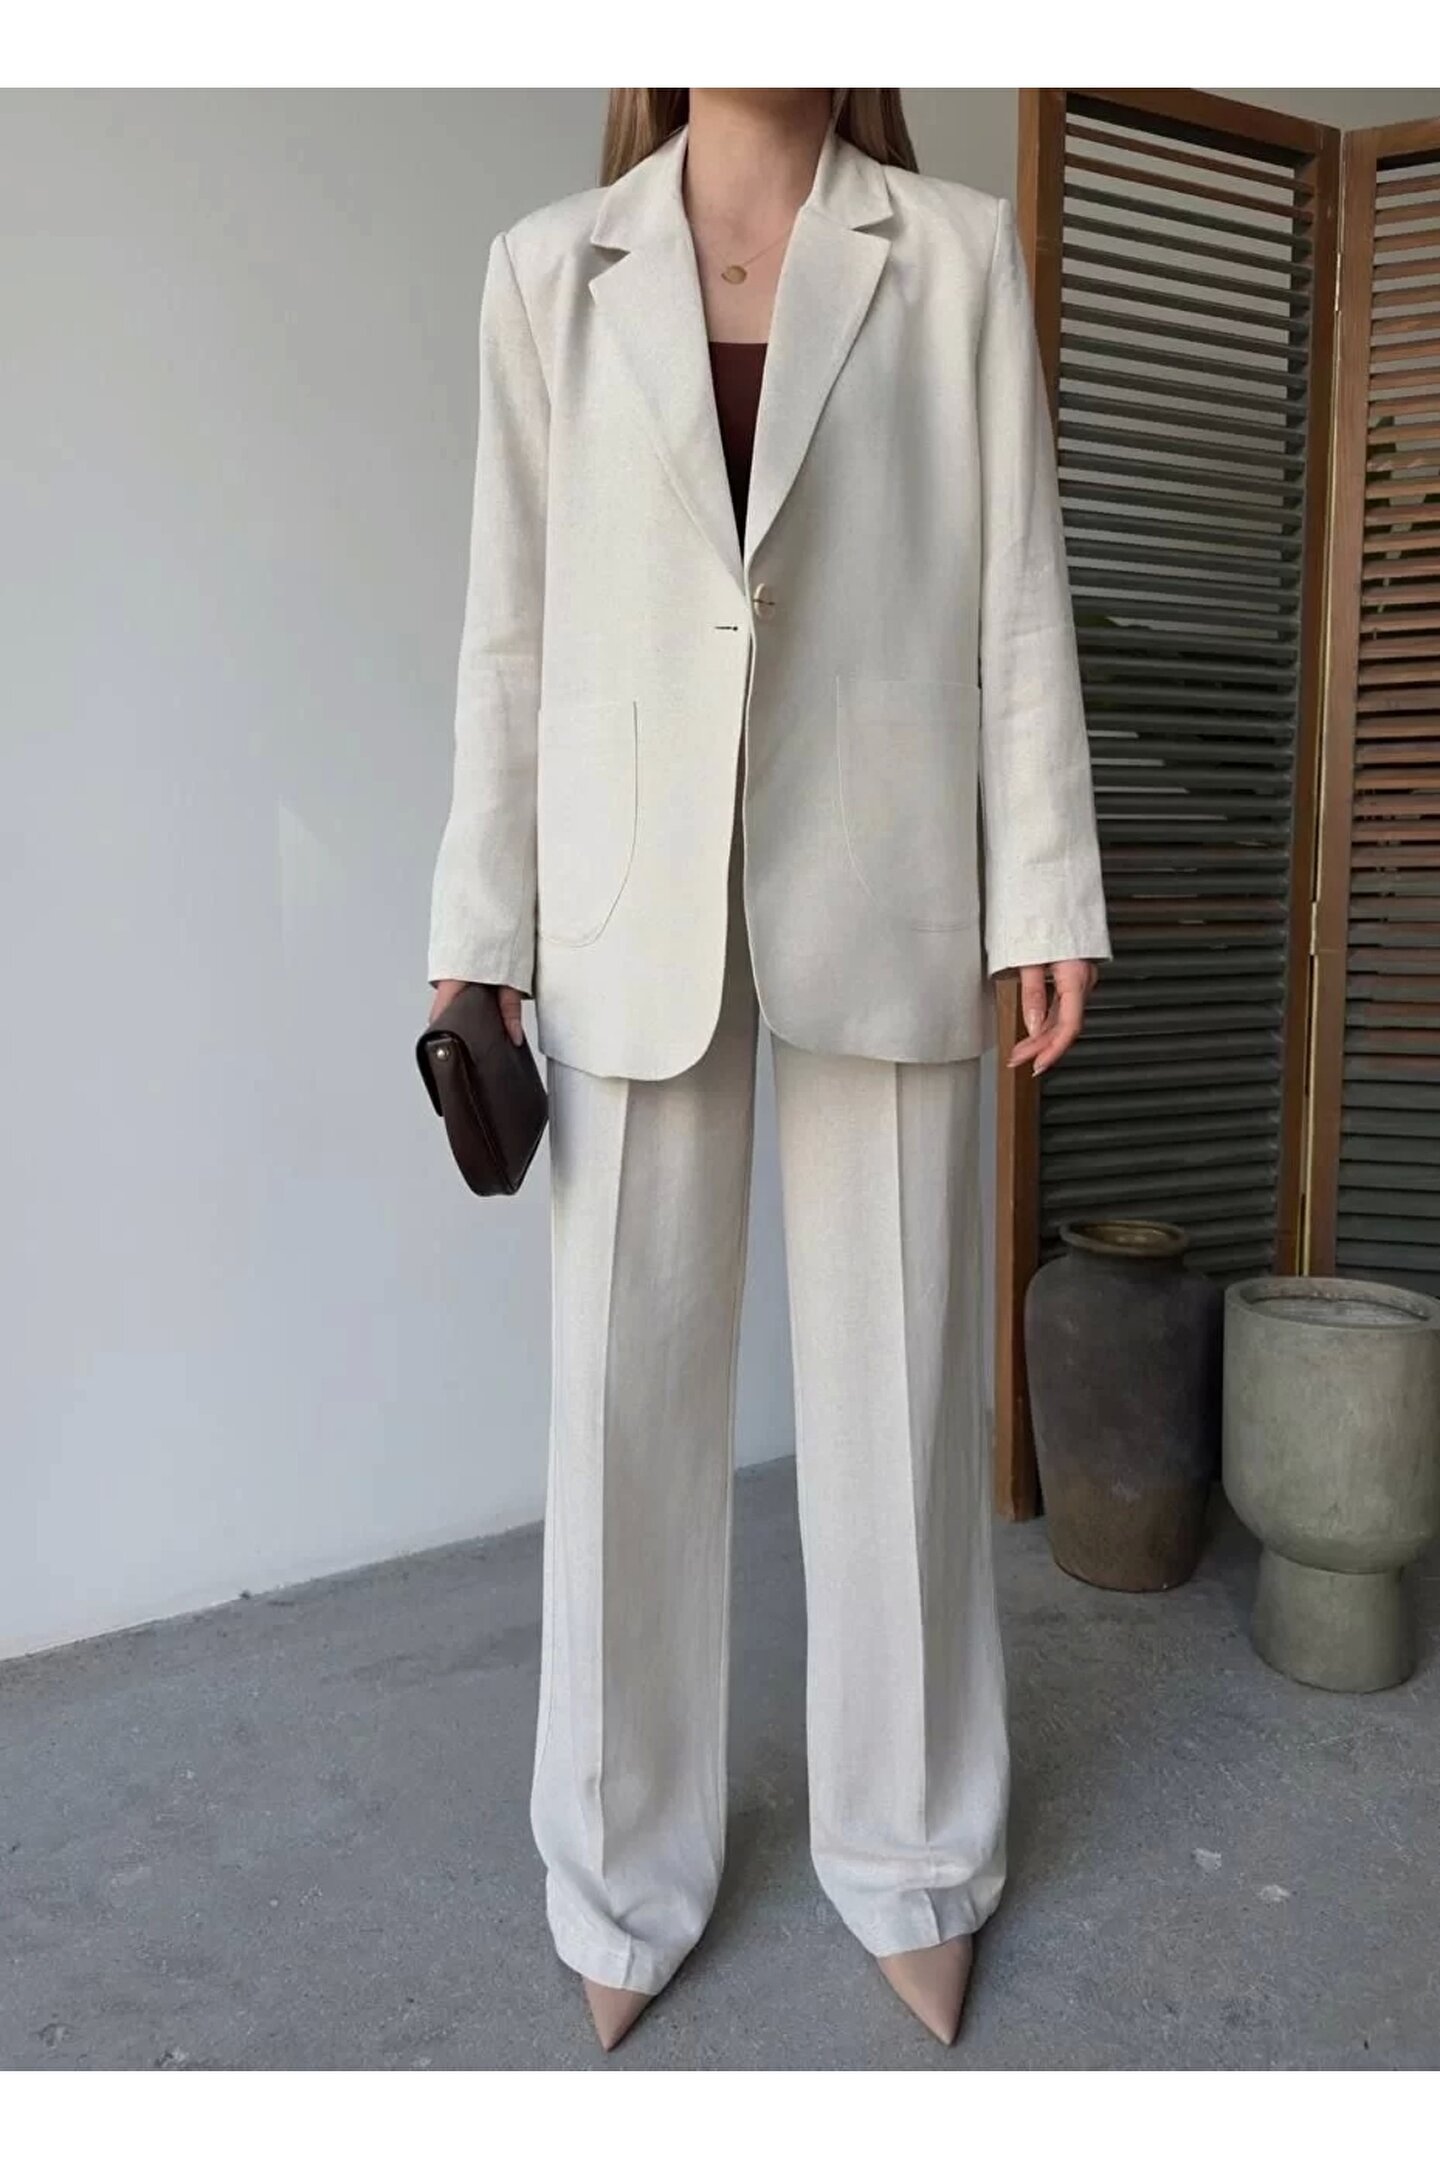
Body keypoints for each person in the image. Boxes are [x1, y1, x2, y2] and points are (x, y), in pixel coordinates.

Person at [426, 87, 1110, 2052]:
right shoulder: (549, 275)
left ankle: (916, 1855)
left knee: (901, 1395)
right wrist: (481, 926)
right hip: (622, 908)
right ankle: (615, 1870)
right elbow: (509, 635)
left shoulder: (954, 256)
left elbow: (1015, 592)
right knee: (620, 1412)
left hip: (886, 883)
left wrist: (1042, 888)